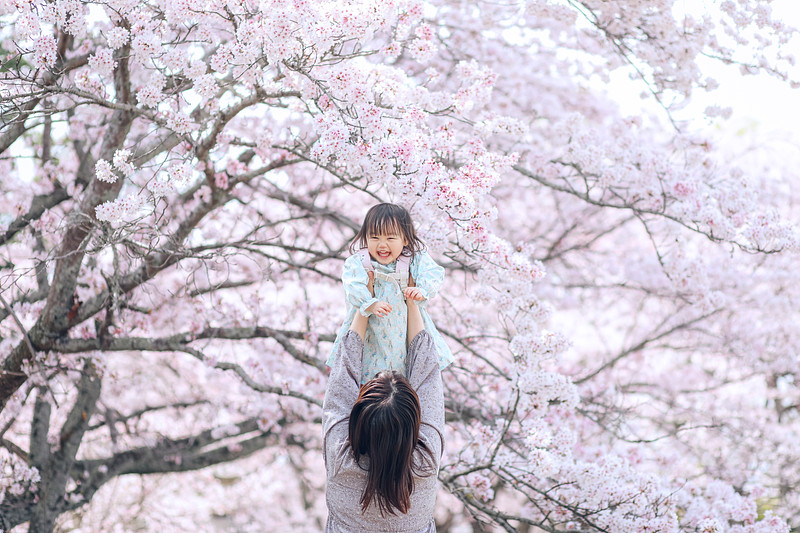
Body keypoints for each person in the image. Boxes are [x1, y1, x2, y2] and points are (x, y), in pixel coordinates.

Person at [323, 275, 445, 532]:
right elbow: (427, 377)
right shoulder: (426, 461)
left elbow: (341, 382)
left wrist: (364, 303)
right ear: (414, 423)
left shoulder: (340, 459)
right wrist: (412, 303)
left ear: (358, 419)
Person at [327, 203, 454, 384]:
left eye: (390, 238)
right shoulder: (359, 262)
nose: (382, 245)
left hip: (405, 330)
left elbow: (433, 272)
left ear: (405, 239)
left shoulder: (414, 259)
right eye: (374, 237)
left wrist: (421, 290)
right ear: (365, 238)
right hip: (372, 333)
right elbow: (352, 284)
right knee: (369, 376)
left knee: (410, 372)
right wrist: (369, 302)